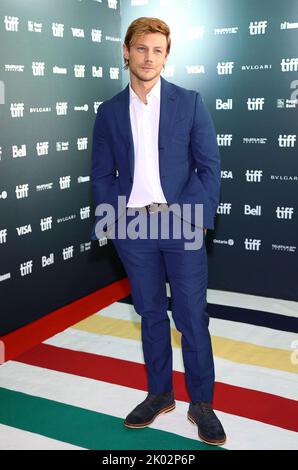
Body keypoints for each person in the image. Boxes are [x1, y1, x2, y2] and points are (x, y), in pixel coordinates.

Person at [90, 17, 226, 446]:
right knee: (149, 314)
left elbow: (209, 167)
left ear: (167, 56)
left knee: (190, 317)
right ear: (126, 52)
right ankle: (160, 393)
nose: (149, 58)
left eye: (158, 50)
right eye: (142, 49)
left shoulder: (190, 101)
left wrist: (196, 219)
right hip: (133, 227)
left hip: (180, 223)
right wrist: (116, 222)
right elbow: (101, 174)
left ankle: (201, 403)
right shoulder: (109, 111)